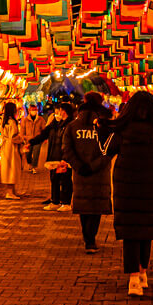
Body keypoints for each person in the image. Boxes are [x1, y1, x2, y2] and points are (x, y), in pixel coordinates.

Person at [105, 91, 153, 296]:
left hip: (126, 188)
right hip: (152, 186)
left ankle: (134, 278)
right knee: (146, 230)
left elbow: (108, 151)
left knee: (130, 232)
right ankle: (143, 273)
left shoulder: (122, 130)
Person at [65, 92, 113, 253]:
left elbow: (67, 149)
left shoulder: (72, 126)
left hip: (80, 173)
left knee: (84, 205)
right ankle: (91, 239)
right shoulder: (106, 126)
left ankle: (88, 238)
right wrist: (95, 165)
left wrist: (79, 166)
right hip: (99, 173)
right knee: (96, 207)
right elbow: (110, 150)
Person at [32, 101, 75, 211]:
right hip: (53, 156)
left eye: (58, 111)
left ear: (63, 112)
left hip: (64, 158)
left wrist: (66, 158)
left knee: (65, 180)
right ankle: (55, 201)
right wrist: (31, 142)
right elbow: (43, 135)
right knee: (54, 179)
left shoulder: (70, 125)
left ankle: (66, 203)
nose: (56, 114)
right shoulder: (55, 124)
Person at [0, 101, 22, 199]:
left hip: (6, 146)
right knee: (11, 168)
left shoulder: (4, 121)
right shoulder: (11, 122)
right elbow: (13, 137)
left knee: (9, 168)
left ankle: (12, 191)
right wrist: (21, 139)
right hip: (11, 147)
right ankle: (10, 192)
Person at [19, 105, 44, 174]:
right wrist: (23, 138)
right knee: (28, 155)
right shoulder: (25, 120)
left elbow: (44, 129)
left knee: (36, 154)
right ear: (29, 111)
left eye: (35, 109)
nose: (34, 111)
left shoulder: (40, 119)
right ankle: (30, 164)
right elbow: (22, 131)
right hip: (28, 140)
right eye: (32, 109)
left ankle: (34, 167)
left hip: (37, 140)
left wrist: (43, 138)